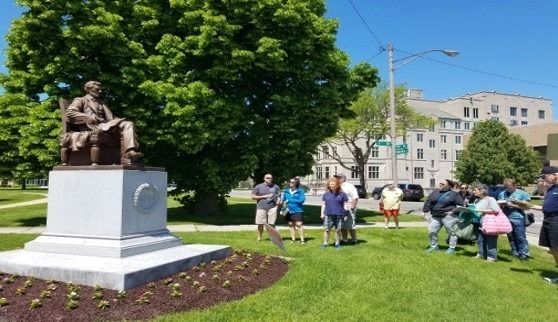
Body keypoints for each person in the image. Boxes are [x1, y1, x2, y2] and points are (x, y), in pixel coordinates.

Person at [66, 81, 143, 161]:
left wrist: (118, 121)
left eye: (100, 89)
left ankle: (130, 152)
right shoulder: (81, 100)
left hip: (106, 126)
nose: (100, 91)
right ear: (88, 89)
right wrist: (91, 117)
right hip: (93, 127)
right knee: (126, 125)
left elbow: (111, 117)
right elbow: (70, 112)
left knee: (128, 124)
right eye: (97, 89)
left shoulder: (101, 103)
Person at [530, 166, 558, 283]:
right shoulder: (552, 189)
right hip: (548, 219)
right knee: (553, 248)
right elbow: (545, 207)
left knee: (556, 247)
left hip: (556, 219)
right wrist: (528, 206)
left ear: (555, 175)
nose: (543, 180)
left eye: (545, 177)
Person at [422, 179, 464, 254]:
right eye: (440, 183)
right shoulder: (434, 192)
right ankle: (434, 246)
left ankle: (451, 248)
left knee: (451, 232)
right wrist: (425, 211)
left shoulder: (454, 194)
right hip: (436, 216)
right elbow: (428, 201)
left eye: (443, 184)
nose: (440, 185)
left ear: (449, 186)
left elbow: (461, 205)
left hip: (448, 216)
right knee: (431, 231)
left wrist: (453, 211)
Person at [498, 178, 530, 260]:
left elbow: (527, 207)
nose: (507, 188)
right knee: (510, 236)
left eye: (509, 186)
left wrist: (513, 205)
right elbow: (499, 203)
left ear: (514, 185)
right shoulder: (502, 194)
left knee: (520, 236)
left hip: (518, 217)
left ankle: (524, 254)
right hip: (506, 217)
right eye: (506, 186)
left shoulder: (522, 194)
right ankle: (514, 252)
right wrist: (501, 205)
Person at [472, 184, 502, 262]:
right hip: (478, 222)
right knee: (480, 239)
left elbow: (496, 210)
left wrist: (481, 211)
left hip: (489, 223)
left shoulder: (491, 199)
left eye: (475, 190)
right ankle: (481, 254)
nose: (473, 191)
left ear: (482, 191)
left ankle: (492, 257)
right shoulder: (477, 200)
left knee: (491, 240)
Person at [251, 174, 281, 241]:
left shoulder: (276, 187)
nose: (269, 179)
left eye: (271, 178)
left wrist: (277, 204)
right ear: (264, 178)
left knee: (271, 224)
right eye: (268, 178)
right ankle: (259, 238)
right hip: (261, 207)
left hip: (272, 207)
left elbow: (279, 195)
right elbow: (253, 197)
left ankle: (273, 239)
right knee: (260, 224)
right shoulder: (259, 186)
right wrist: (264, 196)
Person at [321, 178, 349, 248]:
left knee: (338, 230)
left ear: (337, 185)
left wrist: (345, 214)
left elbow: (345, 205)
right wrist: (322, 213)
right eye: (330, 184)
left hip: (339, 214)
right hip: (328, 214)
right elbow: (323, 204)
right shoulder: (326, 194)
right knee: (327, 229)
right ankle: (325, 243)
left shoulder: (342, 194)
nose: (331, 186)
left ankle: (337, 243)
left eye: (333, 184)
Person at [333, 173, 359, 245]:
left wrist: (353, 206)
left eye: (339, 178)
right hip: (339, 207)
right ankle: (345, 240)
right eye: (336, 178)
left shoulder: (349, 186)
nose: (337, 179)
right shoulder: (336, 186)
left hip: (349, 206)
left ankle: (354, 240)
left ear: (343, 178)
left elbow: (355, 196)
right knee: (342, 225)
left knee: (350, 225)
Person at [282, 177, 306, 244]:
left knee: (299, 224)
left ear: (296, 183)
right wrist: (283, 206)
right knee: (290, 224)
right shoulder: (286, 191)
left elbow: (301, 200)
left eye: (293, 182)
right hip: (288, 210)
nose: (291, 183)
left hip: (297, 210)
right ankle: (293, 239)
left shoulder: (300, 191)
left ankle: (302, 240)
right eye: (290, 182)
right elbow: (284, 200)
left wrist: (290, 200)